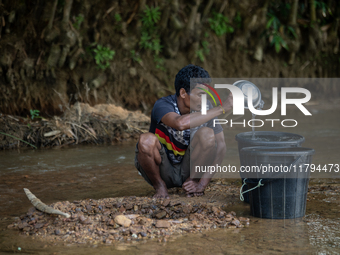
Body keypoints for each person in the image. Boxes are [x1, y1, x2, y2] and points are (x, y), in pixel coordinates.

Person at [135, 64, 233, 198]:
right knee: (146, 140)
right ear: (183, 93)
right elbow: (179, 123)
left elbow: (221, 146)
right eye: (200, 95)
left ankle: (192, 181)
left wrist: (202, 183)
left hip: (189, 170)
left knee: (208, 134)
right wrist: (222, 108)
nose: (205, 100)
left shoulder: (207, 108)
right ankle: (160, 186)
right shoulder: (163, 105)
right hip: (162, 169)